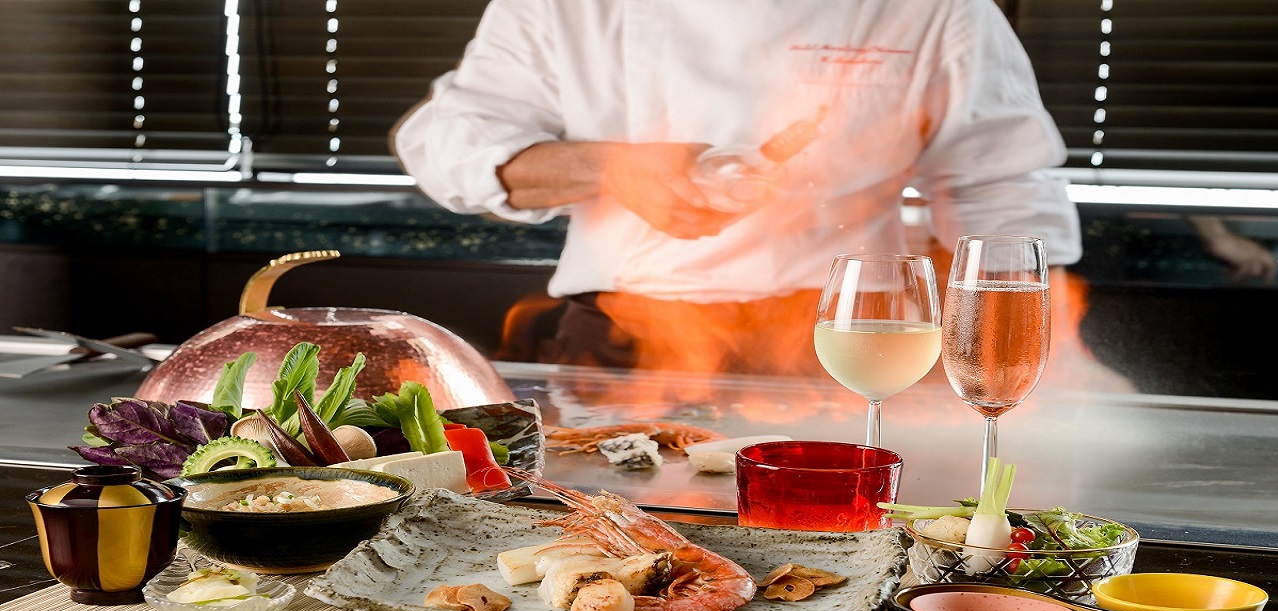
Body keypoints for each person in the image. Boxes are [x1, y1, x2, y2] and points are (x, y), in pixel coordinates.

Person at [392, 0, 1084, 376]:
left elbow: (1000, 181)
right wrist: (611, 167)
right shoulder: (561, 8)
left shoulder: (937, 8)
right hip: (623, 343)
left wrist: (1039, 350)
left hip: (851, 339)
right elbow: (448, 141)